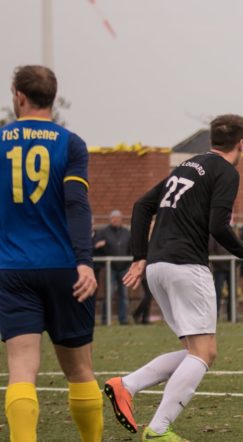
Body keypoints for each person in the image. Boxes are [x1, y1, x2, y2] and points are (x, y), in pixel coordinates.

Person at [104, 114, 243, 439]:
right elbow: (218, 226)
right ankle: (159, 429)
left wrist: (140, 256)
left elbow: (141, 206)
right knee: (204, 352)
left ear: (210, 142)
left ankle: (127, 385)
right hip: (186, 266)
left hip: (159, 267)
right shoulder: (226, 171)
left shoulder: (188, 165)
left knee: (197, 350)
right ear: (241, 144)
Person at [0, 65, 102, 441]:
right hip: (64, 269)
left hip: (12, 268)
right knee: (79, 370)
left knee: (21, 369)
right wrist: (84, 262)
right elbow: (77, 203)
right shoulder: (71, 143)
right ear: (53, 97)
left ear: (19, 96)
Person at [95, 209, 132, 324]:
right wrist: (99, 246)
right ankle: (105, 319)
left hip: (124, 267)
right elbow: (96, 246)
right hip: (110, 267)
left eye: (117, 218)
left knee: (124, 295)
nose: (115, 220)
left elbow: (131, 247)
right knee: (108, 294)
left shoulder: (127, 232)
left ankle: (123, 319)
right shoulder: (103, 232)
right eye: (113, 218)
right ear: (110, 220)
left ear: (121, 220)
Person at [209, 235, 232, 319]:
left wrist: (236, 263)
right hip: (219, 268)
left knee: (232, 293)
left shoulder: (233, 233)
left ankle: (231, 316)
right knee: (217, 293)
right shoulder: (214, 234)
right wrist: (218, 263)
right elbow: (210, 250)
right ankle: (215, 316)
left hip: (231, 267)